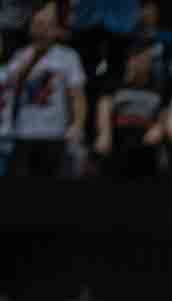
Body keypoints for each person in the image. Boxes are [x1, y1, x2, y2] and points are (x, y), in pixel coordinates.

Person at [0, 2, 86, 178]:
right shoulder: (20, 56)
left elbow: (77, 95)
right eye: (38, 24)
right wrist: (33, 58)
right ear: (30, 28)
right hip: (23, 135)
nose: (42, 30)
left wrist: (77, 125)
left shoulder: (68, 56)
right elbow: (11, 86)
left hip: (55, 136)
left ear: (55, 30)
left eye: (48, 25)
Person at [93, 39, 163, 179]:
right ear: (130, 60)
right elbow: (104, 106)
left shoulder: (158, 86)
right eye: (139, 59)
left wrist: (159, 127)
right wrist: (104, 133)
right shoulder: (114, 83)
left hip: (145, 143)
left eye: (147, 60)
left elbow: (164, 112)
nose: (143, 63)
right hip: (118, 140)